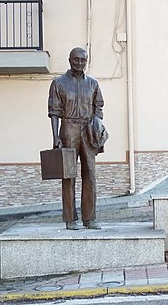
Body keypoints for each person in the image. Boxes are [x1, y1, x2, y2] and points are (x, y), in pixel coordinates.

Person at [47, 47, 108, 230]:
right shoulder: (58, 83)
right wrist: (55, 136)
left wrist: (96, 123)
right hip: (68, 129)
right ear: (69, 60)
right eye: (76, 59)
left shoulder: (93, 83)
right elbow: (54, 112)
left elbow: (99, 106)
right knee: (69, 175)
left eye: (83, 60)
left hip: (88, 130)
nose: (80, 63)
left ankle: (89, 218)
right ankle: (70, 218)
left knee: (90, 175)